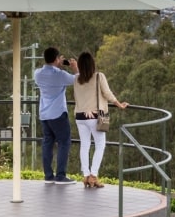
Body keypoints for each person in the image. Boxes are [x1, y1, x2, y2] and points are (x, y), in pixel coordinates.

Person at [72, 51, 128, 188]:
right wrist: (119, 104)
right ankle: (93, 176)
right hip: (96, 116)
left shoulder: (76, 79)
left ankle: (85, 175)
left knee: (84, 145)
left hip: (80, 116)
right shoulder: (99, 76)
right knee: (100, 145)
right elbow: (107, 93)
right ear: (92, 64)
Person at [33, 47, 78, 185]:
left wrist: (57, 64)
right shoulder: (60, 74)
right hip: (58, 113)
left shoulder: (37, 74)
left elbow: (48, 71)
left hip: (44, 114)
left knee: (47, 143)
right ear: (57, 59)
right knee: (64, 142)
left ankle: (48, 175)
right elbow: (77, 79)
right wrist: (75, 67)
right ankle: (60, 176)